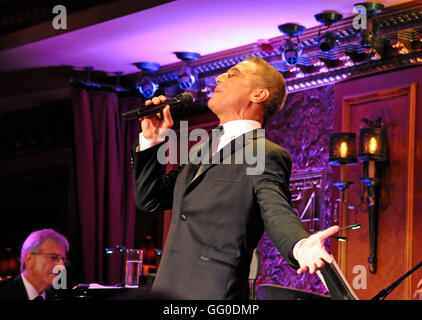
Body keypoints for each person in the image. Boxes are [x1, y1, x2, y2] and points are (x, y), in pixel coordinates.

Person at [132, 56, 339, 299]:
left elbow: (275, 210)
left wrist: (299, 245)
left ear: (258, 95)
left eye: (232, 75)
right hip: (168, 290)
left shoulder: (263, 153)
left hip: (214, 294)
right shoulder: (202, 149)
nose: (219, 77)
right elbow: (151, 199)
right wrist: (152, 140)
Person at [0, 228, 69, 300]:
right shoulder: (3, 292)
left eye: (63, 260)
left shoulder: (56, 298)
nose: (62, 267)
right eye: (53, 257)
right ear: (29, 259)